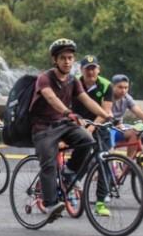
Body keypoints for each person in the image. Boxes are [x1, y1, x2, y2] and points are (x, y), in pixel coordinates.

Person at [30, 39, 109, 221]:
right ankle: (50, 204)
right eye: (63, 58)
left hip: (62, 124)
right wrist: (67, 111)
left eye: (70, 58)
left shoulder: (73, 81)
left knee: (88, 140)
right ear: (54, 60)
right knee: (49, 163)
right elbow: (50, 98)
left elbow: (87, 100)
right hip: (43, 127)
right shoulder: (45, 78)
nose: (67, 61)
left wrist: (105, 114)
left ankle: (68, 173)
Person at [107, 74, 143, 157]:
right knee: (109, 150)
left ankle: (129, 164)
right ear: (112, 86)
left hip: (118, 128)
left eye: (126, 88)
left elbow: (138, 111)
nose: (123, 90)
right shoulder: (107, 96)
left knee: (136, 132)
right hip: (106, 129)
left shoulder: (126, 98)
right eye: (120, 87)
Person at [72, 55, 112, 127]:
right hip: (75, 123)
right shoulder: (73, 82)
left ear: (98, 69)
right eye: (87, 69)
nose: (90, 72)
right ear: (81, 69)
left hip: (97, 124)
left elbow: (105, 110)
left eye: (93, 68)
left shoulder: (107, 85)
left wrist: (91, 128)